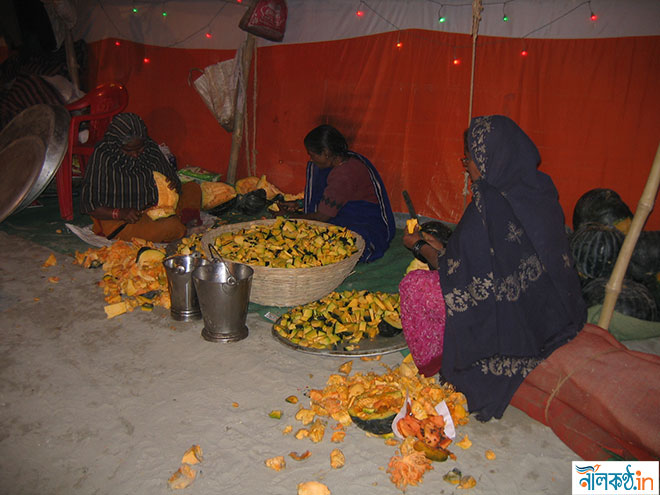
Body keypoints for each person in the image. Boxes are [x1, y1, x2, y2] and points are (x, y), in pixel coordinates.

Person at [399, 115, 586, 422]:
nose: (465, 166)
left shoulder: (488, 202)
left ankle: (434, 361)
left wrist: (419, 247)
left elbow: (458, 274)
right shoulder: (540, 188)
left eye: (468, 158)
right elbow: (494, 256)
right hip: (550, 310)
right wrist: (443, 246)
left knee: (416, 287)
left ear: (489, 158)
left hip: (509, 315)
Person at [277, 124, 396, 262]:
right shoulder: (345, 161)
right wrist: (298, 204)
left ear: (326, 153)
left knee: (318, 243)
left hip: (364, 223)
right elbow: (334, 199)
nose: (311, 159)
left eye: (312, 154)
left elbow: (322, 217)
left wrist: (288, 217)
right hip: (346, 214)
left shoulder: (343, 175)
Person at [80, 113, 201, 243]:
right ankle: (180, 223)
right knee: (172, 228)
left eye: (140, 149)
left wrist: (172, 184)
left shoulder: (150, 148)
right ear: (116, 145)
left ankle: (181, 219)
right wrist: (120, 213)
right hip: (122, 219)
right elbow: (90, 204)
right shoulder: (103, 156)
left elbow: (171, 178)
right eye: (128, 151)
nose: (136, 155)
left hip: (154, 207)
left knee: (193, 188)